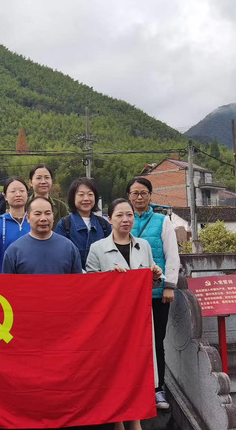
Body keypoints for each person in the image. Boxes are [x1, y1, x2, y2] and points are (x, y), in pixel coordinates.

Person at [86, 198, 163, 430]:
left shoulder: (143, 246)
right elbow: (89, 286)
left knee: (137, 369)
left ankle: (136, 421)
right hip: (111, 322)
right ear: (109, 219)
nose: (125, 219)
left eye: (129, 215)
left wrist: (156, 276)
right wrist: (109, 279)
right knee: (115, 370)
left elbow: (148, 285)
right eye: (119, 215)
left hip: (138, 320)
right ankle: (117, 422)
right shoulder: (97, 248)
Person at [126, 177, 179, 411]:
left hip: (157, 294)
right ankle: (132, 387)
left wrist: (169, 285)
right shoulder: (122, 219)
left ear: (150, 195)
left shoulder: (162, 221)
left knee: (156, 341)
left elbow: (172, 255)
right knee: (130, 343)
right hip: (128, 297)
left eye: (143, 193)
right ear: (128, 196)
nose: (139, 197)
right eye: (135, 193)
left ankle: (158, 388)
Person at [2, 196, 82, 275]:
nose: (43, 218)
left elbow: (78, 281)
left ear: (53, 216)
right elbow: (8, 282)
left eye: (47, 213)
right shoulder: (14, 251)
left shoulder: (69, 248)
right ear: (28, 218)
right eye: (37, 214)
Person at [54, 177, 111, 270]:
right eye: (81, 195)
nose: (86, 199)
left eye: (90, 194)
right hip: (74, 276)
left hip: (100, 276)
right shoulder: (64, 225)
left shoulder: (104, 224)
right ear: (73, 197)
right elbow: (59, 256)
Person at [0, 177, 31, 273]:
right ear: (5, 196)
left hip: (32, 277)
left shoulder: (35, 222)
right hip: (6, 278)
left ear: (27, 194)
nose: (18, 194)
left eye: (22, 191)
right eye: (13, 191)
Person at [27, 163, 68, 230]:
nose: (43, 182)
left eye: (47, 177)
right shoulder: (24, 205)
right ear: (31, 182)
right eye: (38, 178)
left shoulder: (61, 207)